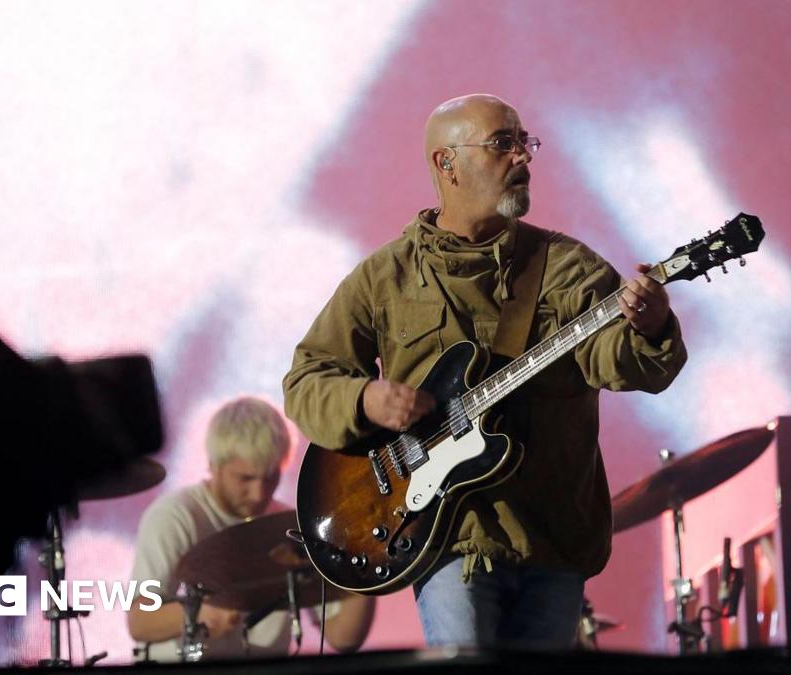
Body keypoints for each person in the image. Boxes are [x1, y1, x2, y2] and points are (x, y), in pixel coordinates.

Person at [282, 94, 687, 649]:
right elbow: (308, 380)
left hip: (551, 538)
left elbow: (618, 362)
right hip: (445, 540)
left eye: (525, 143)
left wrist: (650, 325)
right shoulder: (385, 279)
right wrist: (366, 401)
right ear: (445, 164)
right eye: (503, 143)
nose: (522, 157)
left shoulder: (566, 267)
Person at [126, 396, 375, 661]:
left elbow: (342, 638)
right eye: (245, 478)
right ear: (214, 465)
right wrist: (200, 614)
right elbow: (140, 621)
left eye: (270, 477)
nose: (259, 494)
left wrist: (366, 566)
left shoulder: (292, 526)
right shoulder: (174, 516)